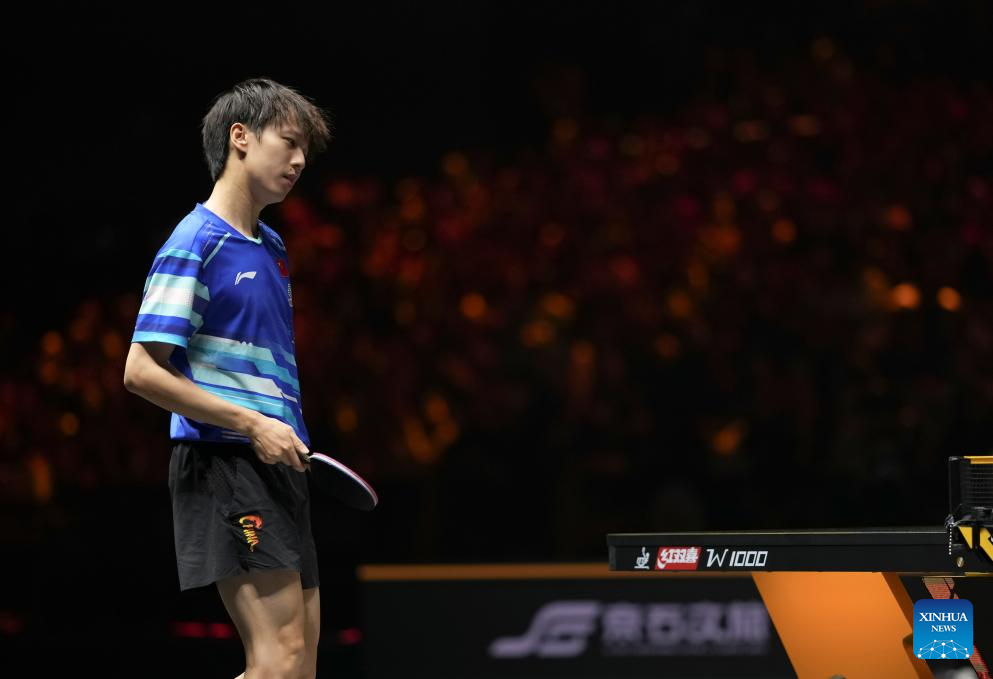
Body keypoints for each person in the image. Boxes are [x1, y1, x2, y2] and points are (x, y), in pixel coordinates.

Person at [123, 77, 332, 679]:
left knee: (299, 665)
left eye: (305, 151)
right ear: (240, 137)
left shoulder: (271, 247)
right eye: (289, 142)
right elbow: (140, 370)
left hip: (277, 462)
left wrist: (273, 432)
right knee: (278, 658)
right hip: (225, 460)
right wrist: (251, 424)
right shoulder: (196, 242)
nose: (299, 161)